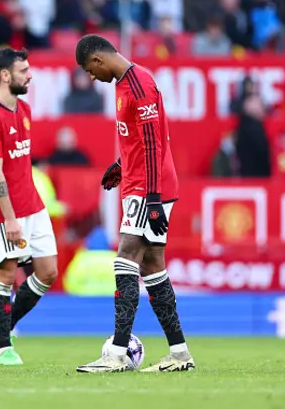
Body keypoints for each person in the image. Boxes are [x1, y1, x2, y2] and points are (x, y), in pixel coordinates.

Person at [73, 34, 195, 373]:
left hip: (147, 189)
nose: (91, 77)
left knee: (126, 257)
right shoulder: (126, 83)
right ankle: (180, 354)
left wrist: (152, 199)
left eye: (89, 70)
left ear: (98, 60)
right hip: (142, 183)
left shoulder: (138, 85)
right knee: (153, 266)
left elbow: (156, 143)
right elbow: (138, 139)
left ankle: (116, 354)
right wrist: (122, 165)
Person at [0, 47, 58, 366]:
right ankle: (4, 348)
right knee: (6, 274)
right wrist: (10, 220)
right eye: (24, 70)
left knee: (48, 271)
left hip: (33, 206)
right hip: (5, 212)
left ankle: (2, 327)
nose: (30, 75)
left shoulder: (23, 109)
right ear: (5, 75)